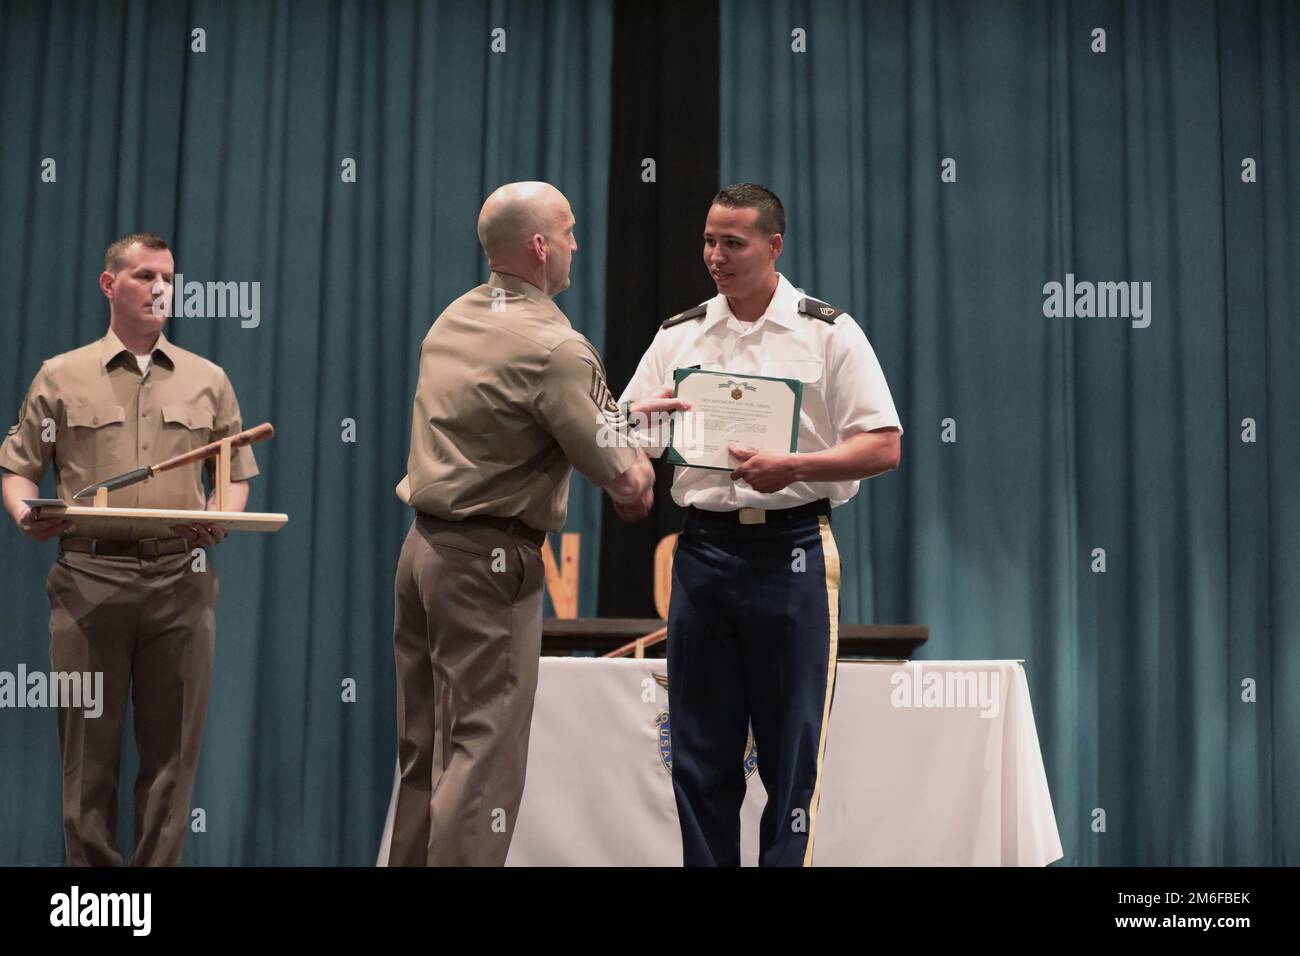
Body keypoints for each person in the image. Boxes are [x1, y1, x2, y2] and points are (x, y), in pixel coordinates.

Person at [618, 183, 903, 866]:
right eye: (709, 241)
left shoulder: (828, 331)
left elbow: (884, 445)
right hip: (705, 550)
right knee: (699, 753)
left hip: (794, 548)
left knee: (790, 754)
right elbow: (617, 430)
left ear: (774, 246)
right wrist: (638, 420)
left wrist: (796, 465)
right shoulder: (678, 332)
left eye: (733, 243)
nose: (715, 256)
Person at [387, 181, 657, 866]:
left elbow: (516, 418)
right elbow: (629, 488)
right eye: (567, 231)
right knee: (484, 753)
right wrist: (636, 443)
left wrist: (608, 418)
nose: (574, 244)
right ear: (539, 247)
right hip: (490, 565)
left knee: (427, 748)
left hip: (422, 553)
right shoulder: (555, 347)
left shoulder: (452, 319)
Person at [0, 233, 258, 866]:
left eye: (168, 277)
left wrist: (220, 516)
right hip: (89, 580)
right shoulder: (62, 375)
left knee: (172, 758)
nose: (160, 288)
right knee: (88, 756)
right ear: (109, 285)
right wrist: (24, 511)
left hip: (180, 580)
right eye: (144, 276)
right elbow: (19, 468)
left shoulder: (207, 379)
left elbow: (236, 471)